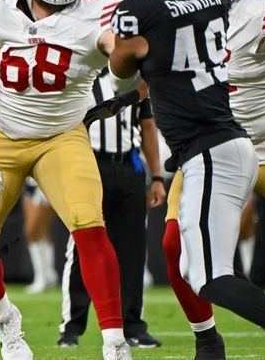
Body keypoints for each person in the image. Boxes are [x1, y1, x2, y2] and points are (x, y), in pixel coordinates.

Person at [0, 0, 132, 358]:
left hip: (62, 135)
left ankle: (115, 343)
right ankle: (5, 321)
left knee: (89, 222)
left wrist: (124, 71)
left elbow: (125, 60)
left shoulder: (102, 12)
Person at [109, 0, 265, 359]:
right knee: (178, 250)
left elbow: (127, 64)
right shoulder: (198, 3)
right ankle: (207, 340)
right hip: (217, 142)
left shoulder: (262, 9)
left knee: (210, 274)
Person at [59, 75, 165, 348]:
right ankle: (72, 326)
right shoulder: (83, 74)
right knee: (82, 244)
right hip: (90, 164)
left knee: (133, 249)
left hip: (129, 165)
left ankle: (133, 325)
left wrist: (156, 175)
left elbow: (147, 125)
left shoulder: (134, 78)